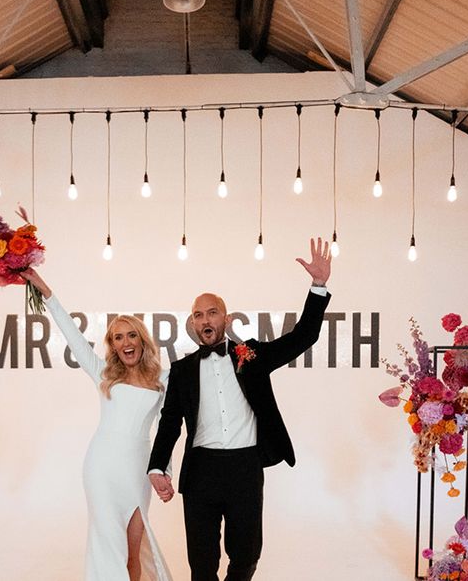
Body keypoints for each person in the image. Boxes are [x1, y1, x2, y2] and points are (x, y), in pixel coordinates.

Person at [146, 237, 332, 581]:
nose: (206, 319)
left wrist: (318, 286)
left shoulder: (252, 356)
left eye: (212, 312)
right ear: (192, 322)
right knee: (201, 565)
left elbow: (302, 338)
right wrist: (158, 465)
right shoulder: (183, 370)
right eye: (198, 314)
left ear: (226, 317)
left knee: (246, 558)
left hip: (245, 468)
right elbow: (169, 421)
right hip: (200, 470)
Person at [22, 269, 173, 581]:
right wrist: (44, 289)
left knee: (133, 547)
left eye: (131, 335)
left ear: (142, 340)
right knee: (108, 545)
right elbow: (71, 334)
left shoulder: (162, 379)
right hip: (102, 468)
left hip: (139, 469)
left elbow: (166, 431)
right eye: (118, 337)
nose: (125, 342)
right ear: (113, 345)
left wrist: (164, 473)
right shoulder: (104, 372)